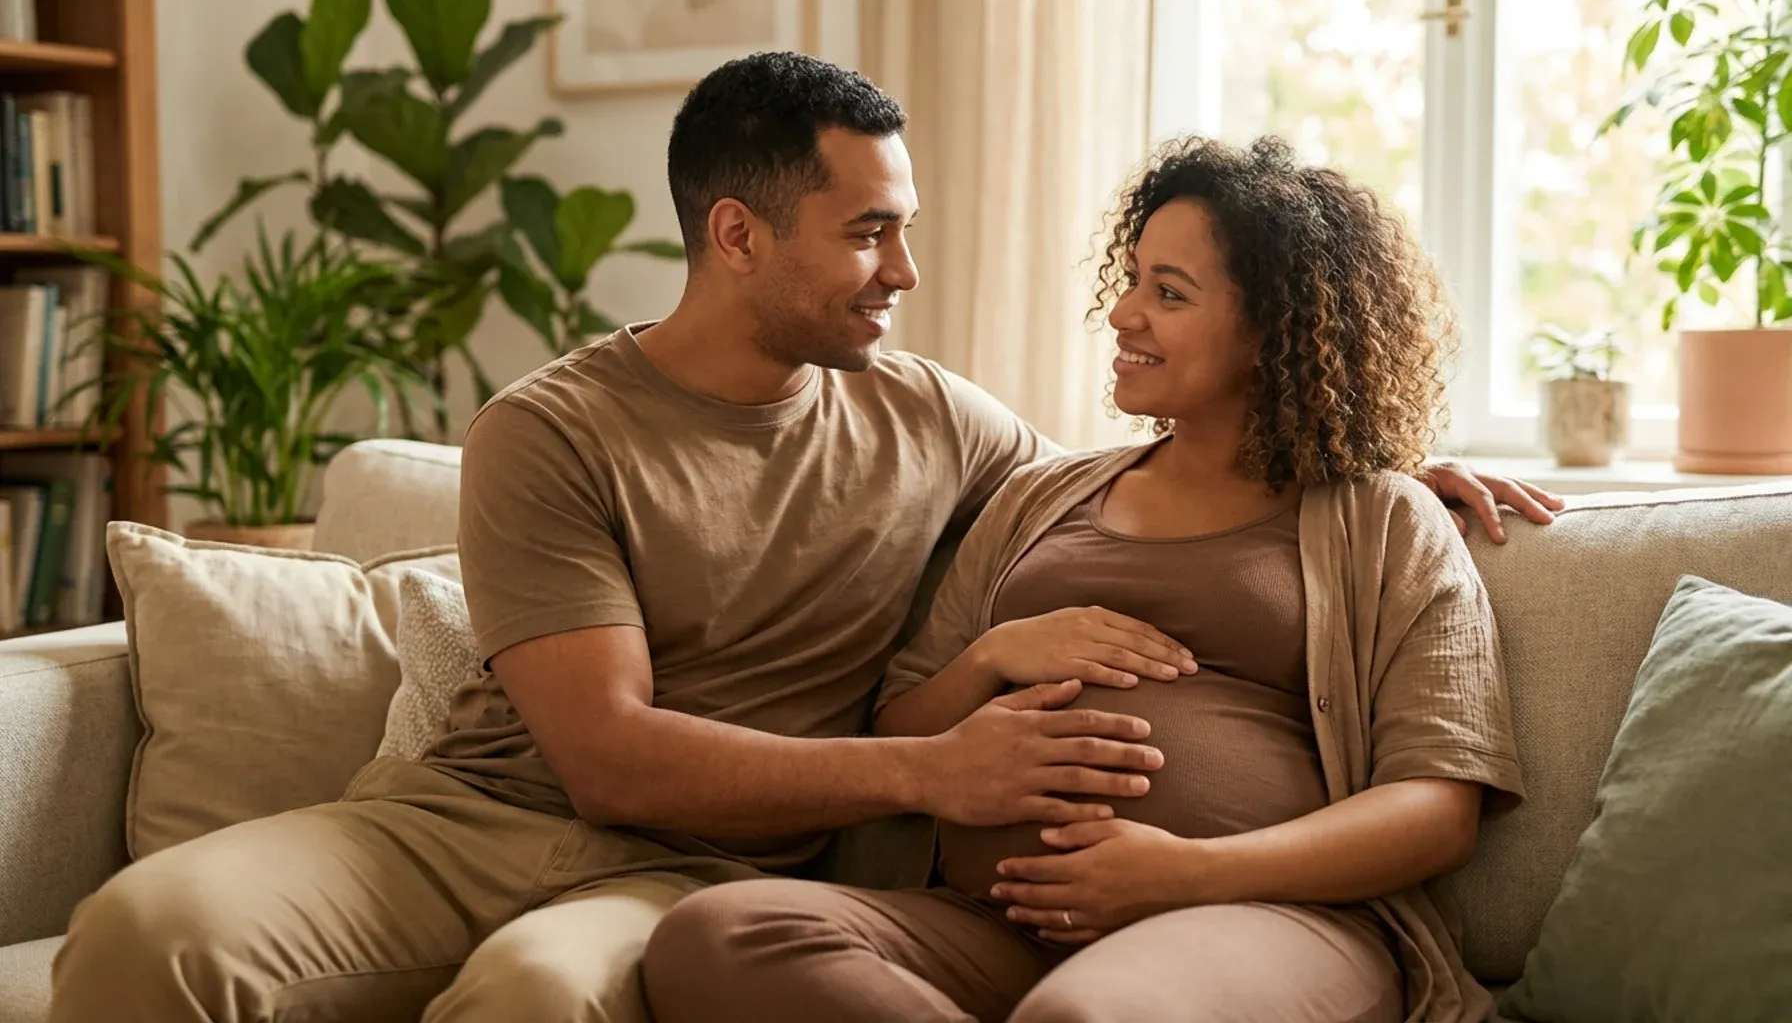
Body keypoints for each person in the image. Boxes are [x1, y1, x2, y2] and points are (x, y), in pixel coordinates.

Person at [48, 56, 1555, 1023]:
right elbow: (618, 756)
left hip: (731, 872)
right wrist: (947, 745)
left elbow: (1207, 484)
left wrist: (1382, 455)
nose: (906, 269)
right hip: (483, 822)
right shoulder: (555, 429)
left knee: (539, 997)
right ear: (738, 236)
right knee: (141, 929)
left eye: (901, 227)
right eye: (868, 234)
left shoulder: (954, 429)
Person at [641, 135, 1530, 1023]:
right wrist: (995, 655)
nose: (1124, 314)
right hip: (994, 930)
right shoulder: (1038, 494)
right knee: (717, 933)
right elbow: (902, 723)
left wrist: (1185, 872)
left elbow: (1436, 807)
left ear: (1275, 329)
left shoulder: (1382, 521)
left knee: (1087, 1017)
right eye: (1132, 280)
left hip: (1264, 919)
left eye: (1168, 293)